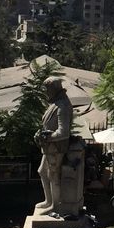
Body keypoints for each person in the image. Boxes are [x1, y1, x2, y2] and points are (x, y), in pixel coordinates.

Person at [33, 77, 73, 216]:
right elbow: (47, 125)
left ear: (54, 89)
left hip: (56, 148)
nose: (45, 92)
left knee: (53, 175)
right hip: (49, 148)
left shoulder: (63, 105)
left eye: (47, 89)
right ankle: (48, 201)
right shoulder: (55, 103)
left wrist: (47, 137)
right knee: (42, 172)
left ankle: (55, 206)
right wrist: (40, 134)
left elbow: (64, 132)